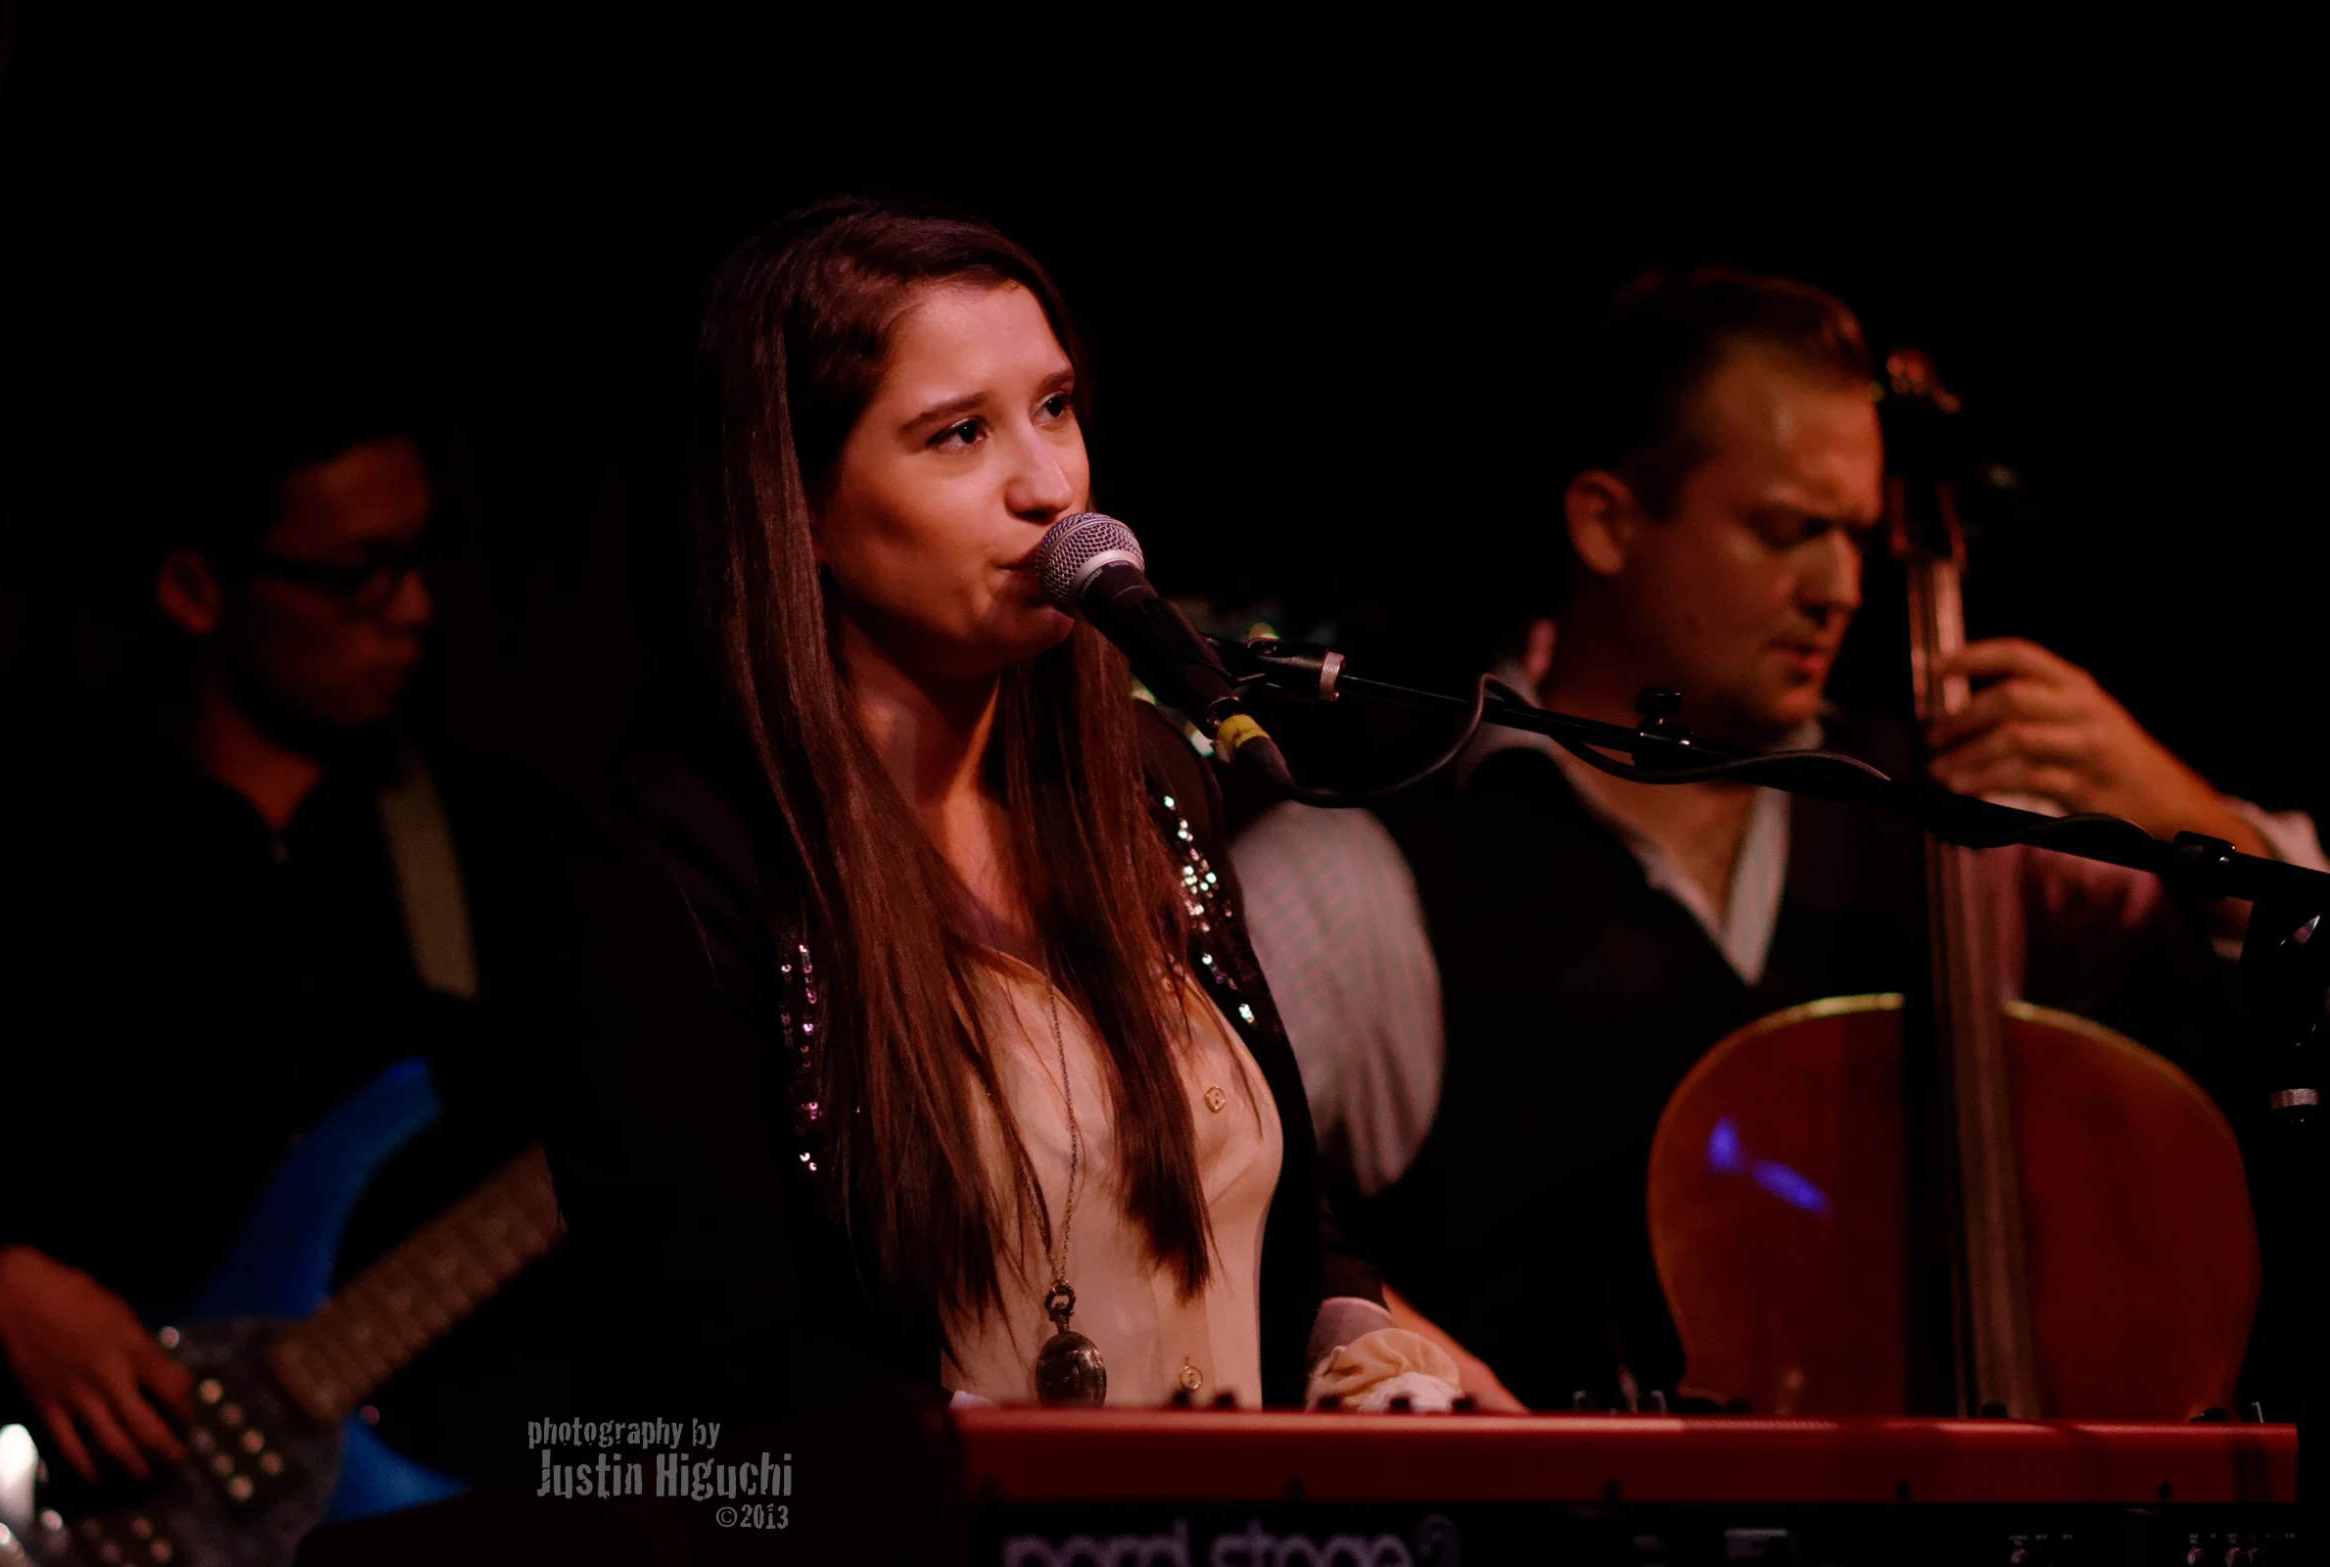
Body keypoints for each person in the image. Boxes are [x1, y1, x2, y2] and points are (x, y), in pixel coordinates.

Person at [1232, 266, 2326, 1413]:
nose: (1841, 586)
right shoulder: (1364, 874)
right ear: (1607, 523)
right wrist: (1410, 1367)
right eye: (1784, 530)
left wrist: (2179, 808)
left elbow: (2307, 955)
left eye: (1853, 536)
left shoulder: (1956, 818)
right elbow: (1188, 1182)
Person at [542, 199, 1457, 1421]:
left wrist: (1358, 1340)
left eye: (1055, 407)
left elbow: (1273, 1213)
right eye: (958, 434)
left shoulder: (1140, 782)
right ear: (798, 507)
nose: (1049, 487)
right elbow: (716, 1352)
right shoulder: (679, 853)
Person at [0, 376, 567, 1487]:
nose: (413, 609)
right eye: (359, 574)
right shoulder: (36, 850)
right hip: (85, 1497)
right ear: (196, 587)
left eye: (422, 555)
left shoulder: (503, 846)